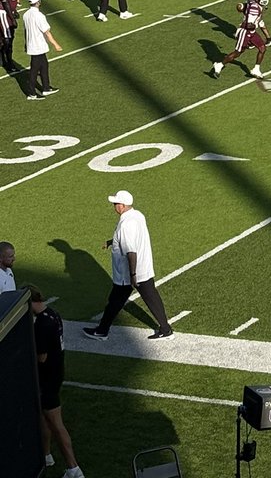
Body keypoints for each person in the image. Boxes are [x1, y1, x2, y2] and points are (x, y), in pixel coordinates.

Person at [82, 191, 173, 341]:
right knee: (150, 297)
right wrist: (111, 242)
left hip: (128, 274)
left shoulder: (125, 224)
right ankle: (166, 329)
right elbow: (129, 238)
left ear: (122, 205)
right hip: (143, 268)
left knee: (115, 301)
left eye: (116, 203)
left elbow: (131, 251)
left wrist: (132, 276)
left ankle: (102, 331)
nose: (114, 206)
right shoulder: (138, 215)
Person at [28, 286, 85, 478]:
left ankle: (73, 468)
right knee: (45, 418)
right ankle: (46, 455)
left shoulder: (41, 324)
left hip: (47, 379)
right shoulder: (53, 314)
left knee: (56, 424)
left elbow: (41, 357)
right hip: (56, 372)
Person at [213, 0, 271, 79]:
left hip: (252, 32)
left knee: (262, 48)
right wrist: (255, 25)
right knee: (237, 53)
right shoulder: (254, 8)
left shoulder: (257, 6)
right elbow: (249, 25)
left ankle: (256, 69)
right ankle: (219, 65)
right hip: (245, 32)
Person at [23, 0, 62, 99]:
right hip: (38, 46)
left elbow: (26, 31)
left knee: (44, 66)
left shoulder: (26, 14)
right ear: (38, 2)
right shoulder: (39, 16)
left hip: (32, 45)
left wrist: (26, 44)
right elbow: (47, 32)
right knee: (34, 70)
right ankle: (32, 93)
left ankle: (46, 88)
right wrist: (56, 45)